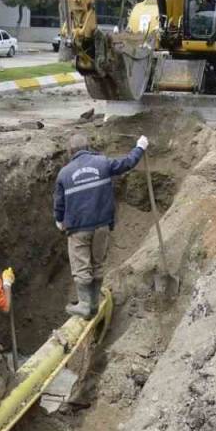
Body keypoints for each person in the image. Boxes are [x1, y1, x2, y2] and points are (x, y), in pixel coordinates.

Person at [54, 132, 148, 319]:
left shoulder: (64, 174)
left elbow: (59, 203)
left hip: (78, 228)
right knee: (97, 263)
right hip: (102, 226)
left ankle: (85, 305)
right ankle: (94, 303)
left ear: (70, 151)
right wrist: (140, 147)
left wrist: (59, 220)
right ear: (88, 148)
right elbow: (127, 163)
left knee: (81, 266)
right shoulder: (103, 163)